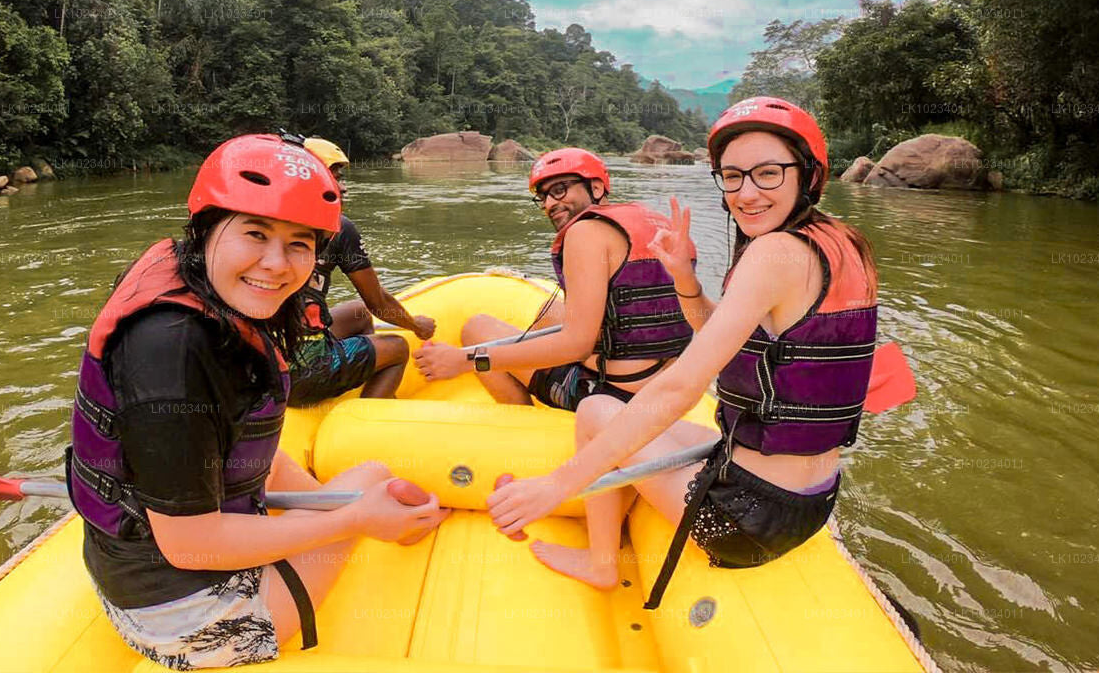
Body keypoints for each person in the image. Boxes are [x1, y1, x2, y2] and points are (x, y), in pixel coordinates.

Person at [65, 134, 448, 669]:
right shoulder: (173, 350)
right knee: (371, 481)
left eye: (298, 244)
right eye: (255, 233)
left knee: (365, 485)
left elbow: (245, 442)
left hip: (137, 573)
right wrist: (356, 519)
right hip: (186, 616)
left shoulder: (196, 286)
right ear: (207, 227)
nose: (276, 264)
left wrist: (330, 504)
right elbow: (190, 545)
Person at [485, 98, 879, 608]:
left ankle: (602, 563)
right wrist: (684, 280)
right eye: (733, 177)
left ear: (808, 174)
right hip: (810, 502)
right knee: (620, 416)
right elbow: (726, 336)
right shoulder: (846, 243)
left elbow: (679, 388)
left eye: (767, 173)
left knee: (597, 407)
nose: (746, 193)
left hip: (745, 519)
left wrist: (556, 486)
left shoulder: (773, 252)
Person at [413, 148, 696, 411]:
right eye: (543, 197)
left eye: (560, 190)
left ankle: (524, 422)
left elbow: (577, 345)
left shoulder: (584, 232)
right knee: (548, 316)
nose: (550, 204)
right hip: (667, 384)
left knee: (477, 328)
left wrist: (466, 360)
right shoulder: (655, 222)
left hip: (611, 393)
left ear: (596, 187)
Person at [286, 136, 435, 406]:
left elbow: (369, 306)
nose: (343, 188)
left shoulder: (263, 225)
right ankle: (369, 413)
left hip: (264, 363)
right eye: (335, 178)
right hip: (300, 374)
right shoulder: (339, 229)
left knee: (359, 313)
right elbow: (378, 302)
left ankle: (364, 372)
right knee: (399, 348)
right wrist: (416, 326)